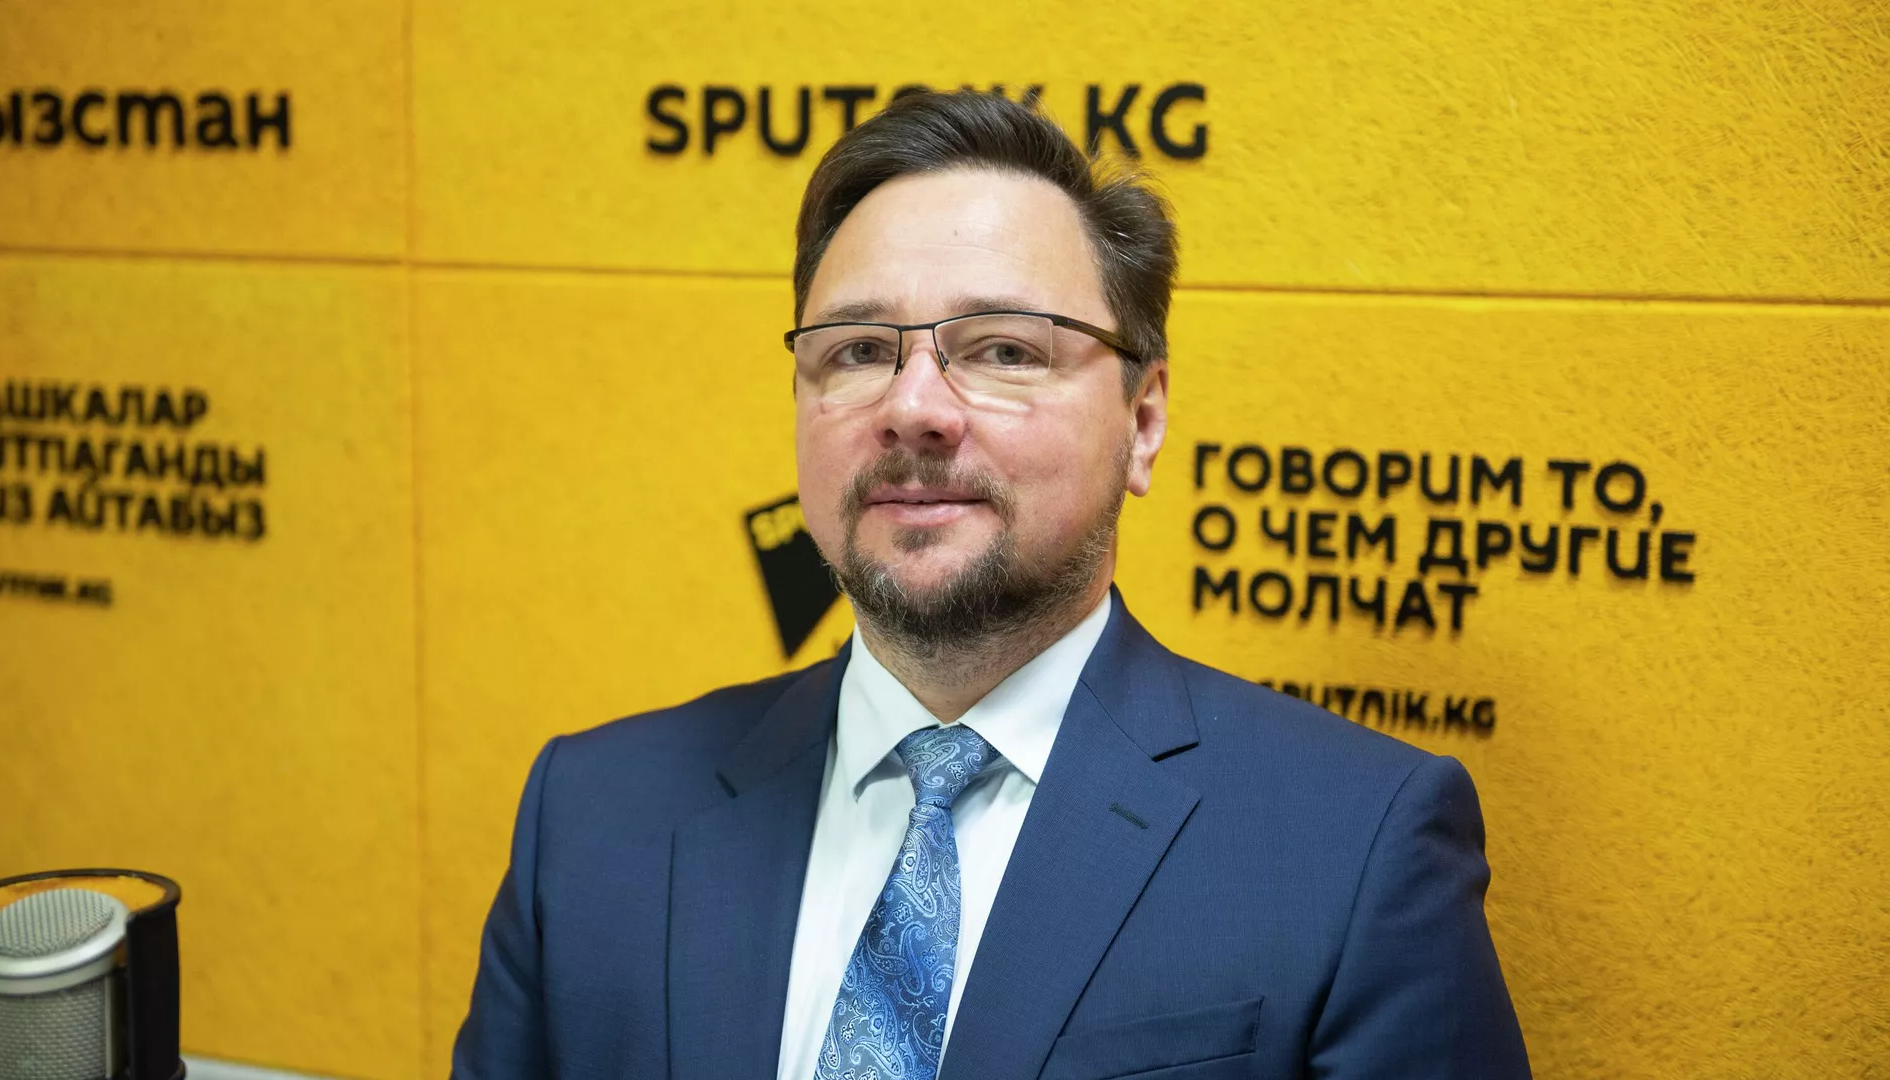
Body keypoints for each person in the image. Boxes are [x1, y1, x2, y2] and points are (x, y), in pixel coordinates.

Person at [452, 90, 1530, 1080]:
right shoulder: (591, 819)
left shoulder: (1352, 847)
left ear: (1143, 420)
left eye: (1005, 350)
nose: (914, 408)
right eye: (858, 350)